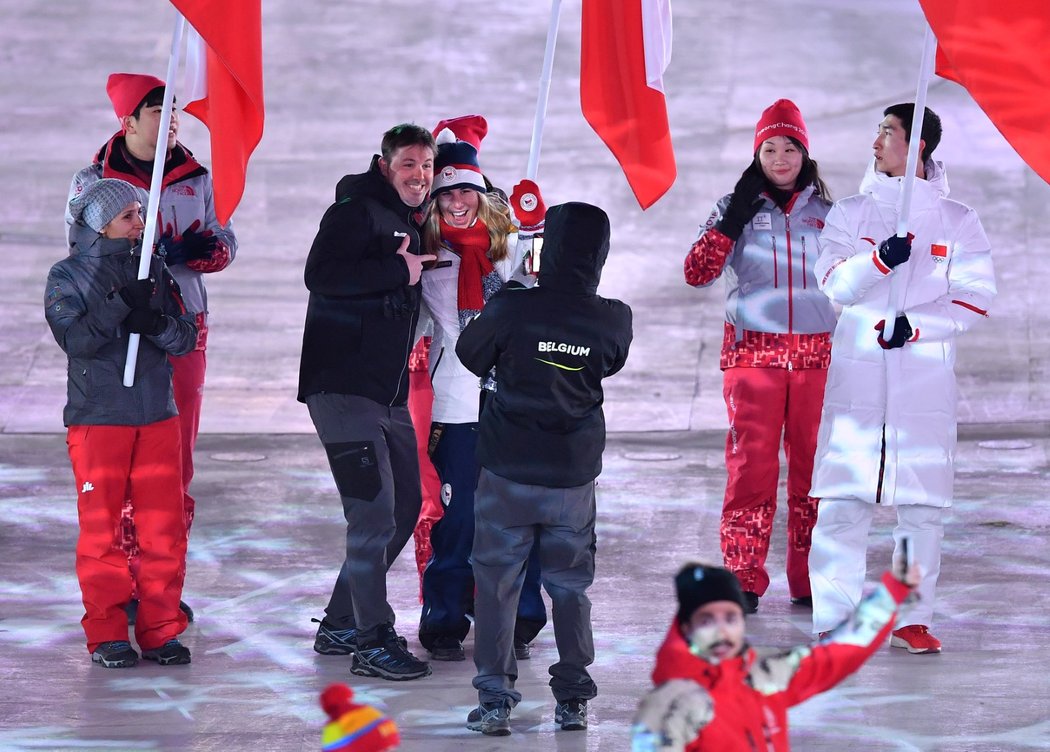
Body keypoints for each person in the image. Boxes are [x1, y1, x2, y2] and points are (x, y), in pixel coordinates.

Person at [807, 104, 997, 653]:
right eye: (878, 130)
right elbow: (834, 284)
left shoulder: (958, 220)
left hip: (922, 382)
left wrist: (919, 326)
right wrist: (879, 263)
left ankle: (911, 617)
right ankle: (836, 618)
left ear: (918, 145)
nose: (876, 140)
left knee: (920, 504)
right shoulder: (851, 213)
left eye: (888, 131)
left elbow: (976, 295)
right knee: (844, 500)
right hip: (858, 379)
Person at [456, 201, 633, 735]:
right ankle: (573, 697)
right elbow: (611, 360)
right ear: (599, 255)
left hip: (507, 471)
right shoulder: (613, 318)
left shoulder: (514, 309)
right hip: (571, 478)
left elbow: (469, 355)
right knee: (570, 587)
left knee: (497, 586)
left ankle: (494, 699)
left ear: (545, 249)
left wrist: (513, 300)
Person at [67, 73, 238, 623]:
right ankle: (120, 589)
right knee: (117, 461)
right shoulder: (93, 181)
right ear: (128, 122)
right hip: (114, 327)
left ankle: (161, 585)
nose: (171, 125)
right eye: (158, 115)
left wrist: (202, 251)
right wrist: (146, 254)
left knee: (172, 459)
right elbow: (78, 253)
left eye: (175, 116)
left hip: (182, 322)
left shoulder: (196, 176)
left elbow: (225, 243)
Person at [684, 99, 837, 613]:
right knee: (751, 470)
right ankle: (743, 575)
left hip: (819, 361)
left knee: (815, 473)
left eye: (789, 147)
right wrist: (731, 221)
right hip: (754, 361)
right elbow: (697, 272)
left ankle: (811, 576)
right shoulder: (736, 206)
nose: (779, 157)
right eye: (769, 148)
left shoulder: (830, 214)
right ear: (757, 154)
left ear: (804, 151)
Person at [299, 123, 437, 681]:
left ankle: (340, 620)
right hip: (341, 389)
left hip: (388, 394)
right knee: (373, 513)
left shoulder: (408, 221)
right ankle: (372, 639)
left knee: (406, 506)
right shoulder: (354, 212)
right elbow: (320, 275)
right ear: (385, 166)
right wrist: (395, 270)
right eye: (408, 164)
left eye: (426, 166)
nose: (419, 176)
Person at [46, 178, 198, 668]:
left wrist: (155, 323)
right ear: (101, 223)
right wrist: (119, 305)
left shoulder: (152, 269)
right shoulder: (66, 276)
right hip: (99, 421)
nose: (142, 222)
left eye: (140, 212)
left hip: (157, 417)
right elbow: (75, 341)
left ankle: (160, 630)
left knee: (163, 530)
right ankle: (108, 633)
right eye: (131, 215)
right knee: (101, 531)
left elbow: (185, 338)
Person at [415, 114, 547, 663]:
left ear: (481, 191)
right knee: (458, 517)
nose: (457, 200)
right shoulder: (423, 250)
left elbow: (540, 283)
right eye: (447, 192)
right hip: (453, 404)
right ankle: (445, 615)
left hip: (511, 403)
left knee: (516, 514)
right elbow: (416, 325)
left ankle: (521, 616)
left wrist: (536, 227)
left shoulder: (508, 243)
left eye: (466, 188)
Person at [630, 561, 919, 751]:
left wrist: (892, 593)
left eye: (730, 618)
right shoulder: (669, 705)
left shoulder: (763, 674)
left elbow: (839, 653)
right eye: (707, 620)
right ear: (686, 628)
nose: (721, 631)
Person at [319, 683, 400, 751]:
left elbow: (333, 748)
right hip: (389, 734)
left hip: (369, 741)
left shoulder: (335, 721)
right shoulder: (363, 708)